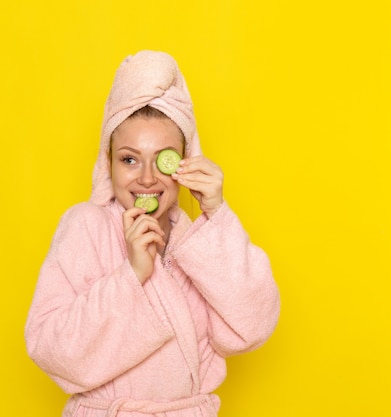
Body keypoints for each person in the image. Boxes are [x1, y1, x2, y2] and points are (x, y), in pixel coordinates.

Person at [25, 50, 280, 417]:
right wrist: (132, 275)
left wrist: (217, 215)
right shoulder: (85, 226)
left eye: (163, 159)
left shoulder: (198, 243)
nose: (146, 178)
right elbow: (50, 350)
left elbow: (252, 327)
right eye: (129, 159)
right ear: (107, 163)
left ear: (184, 163)